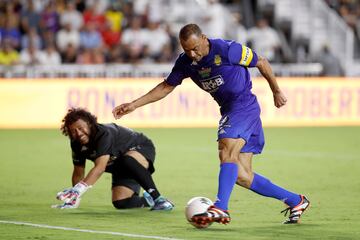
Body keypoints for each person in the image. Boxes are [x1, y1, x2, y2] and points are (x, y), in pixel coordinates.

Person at [112, 23, 310, 225]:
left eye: (195, 48)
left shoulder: (228, 49)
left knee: (226, 150)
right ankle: (296, 201)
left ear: (204, 38)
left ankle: (221, 208)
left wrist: (276, 91)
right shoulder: (185, 62)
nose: (192, 54)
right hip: (230, 110)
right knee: (241, 175)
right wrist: (134, 105)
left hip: (243, 107)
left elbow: (261, 62)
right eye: (186, 49)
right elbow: (166, 87)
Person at [53, 108, 174, 211]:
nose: (78, 133)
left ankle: (159, 199)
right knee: (121, 203)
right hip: (118, 163)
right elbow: (78, 172)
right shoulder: (76, 143)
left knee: (127, 161)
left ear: (89, 124)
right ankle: (148, 201)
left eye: (80, 128)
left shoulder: (103, 134)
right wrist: (74, 197)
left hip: (140, 148)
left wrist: (79, 189)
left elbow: (100, 168)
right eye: (73, 131)